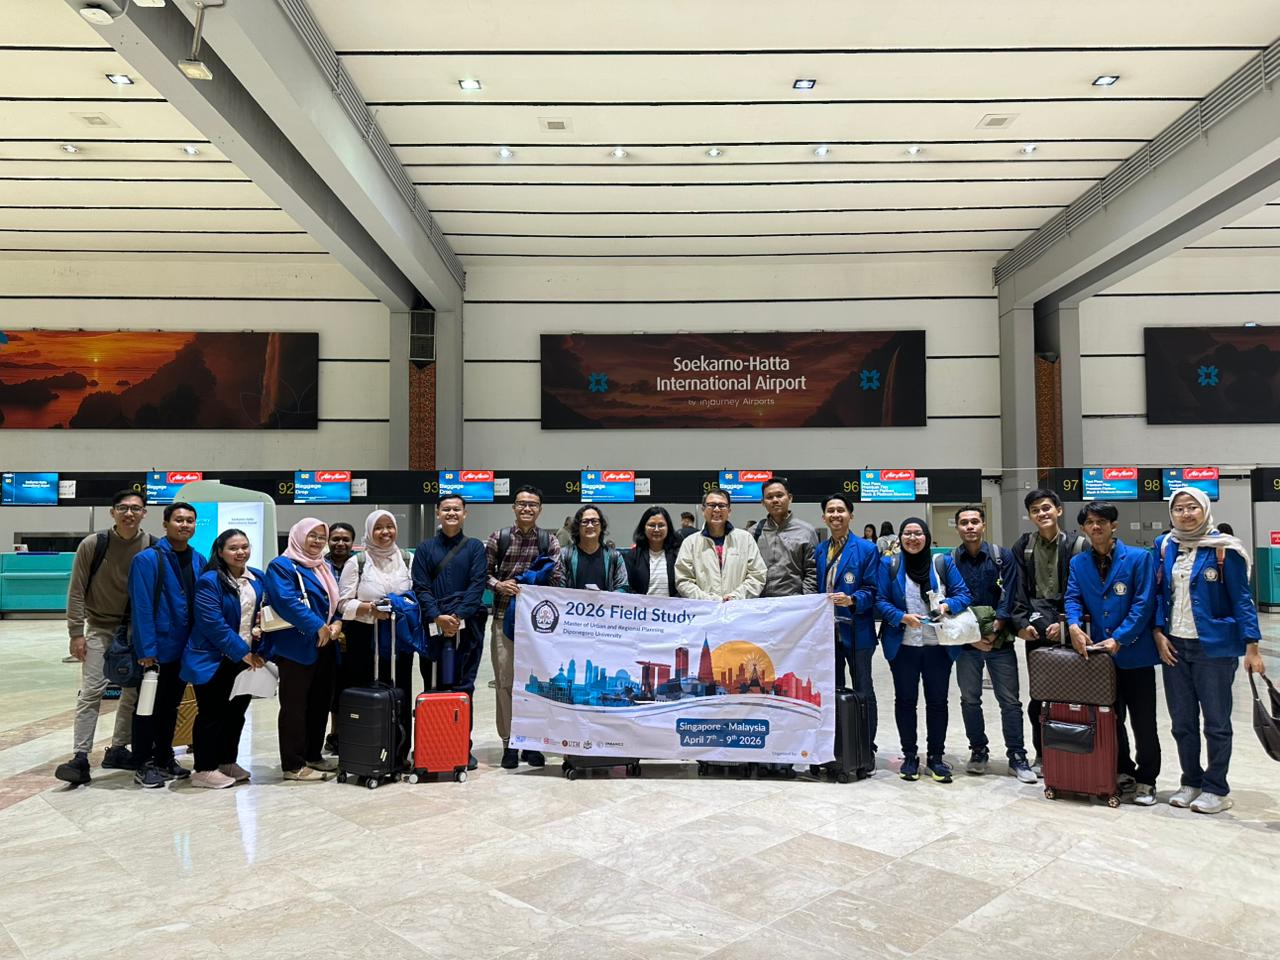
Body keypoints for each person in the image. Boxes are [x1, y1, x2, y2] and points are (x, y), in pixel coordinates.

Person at [1152, 488, 1265, 814]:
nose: (1186, 514)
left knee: (1216, 722)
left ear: (1204, 509)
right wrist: (1158, 633)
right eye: (1179, 509)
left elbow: (1242, 600)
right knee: (1182, 722)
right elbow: (1158, 594)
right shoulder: (1165, 546)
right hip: (1174, 647)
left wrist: (1252, 647)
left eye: (1192, 508)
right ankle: (1191, 781)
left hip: (1213, 649)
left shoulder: (1224, 549)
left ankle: (1216, 788)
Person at [54, 489, 156, 785]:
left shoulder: (152, 546)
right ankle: (80, 757)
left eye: (135, 508)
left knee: (132, 691)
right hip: (99, 627)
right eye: (122, 508)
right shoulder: (94, 544)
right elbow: (76, 590)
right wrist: (76, 633)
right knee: (91, 691)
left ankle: (119, 748)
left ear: (144, 513)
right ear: (112, 512)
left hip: (136, 630)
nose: (129, 513)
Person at [1064, 501, 1160, 805]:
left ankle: (1147, 779)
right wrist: (1073, 625)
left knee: (1144, 721)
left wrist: (1119, 638)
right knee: (1110, 718)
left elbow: (1144, 603)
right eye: (1090, 522)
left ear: (1113, 525)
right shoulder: (1078, 563)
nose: (1096, 527)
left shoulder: (1139, 558)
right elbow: (1073, 598)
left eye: (1102, 522)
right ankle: (1123, 770)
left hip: (1135, 655)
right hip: (1100, 659)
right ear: (1083, 528)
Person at [875, 518, 971, 783]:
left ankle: (936, 758)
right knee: (905, 702)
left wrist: (946, 606)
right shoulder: (890, 564)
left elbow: (964, 594)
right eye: (907, 533)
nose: (913, 538)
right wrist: (901, 617)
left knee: (937, 703)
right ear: (900, 538)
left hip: (937, 646)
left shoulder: (942, 563)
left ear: (927, 537)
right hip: (903, 646)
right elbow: (880, 600)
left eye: (918, 533)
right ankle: (909, 756)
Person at [950, 505, 1035, 783]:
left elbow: (1010, 594)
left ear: (983, 525)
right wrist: (973, 638)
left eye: (975, 521)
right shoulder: (950, 560)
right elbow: (951, 601)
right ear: (957, 527)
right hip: (967, 644)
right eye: (964, 522)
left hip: (1001, 641)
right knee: (970, 699)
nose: (970, 526)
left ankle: (1017, 756)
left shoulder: (1002, 556)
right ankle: (978, 751)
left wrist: (997, 626)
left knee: (1010, 701)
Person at [128, 502, 207, 788]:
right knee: (147, 706)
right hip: (157, 649)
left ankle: (163, 757)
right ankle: (143, 763)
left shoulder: (198, 559)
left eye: (190, 521)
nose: (185, 525)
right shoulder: (147, 560)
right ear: (165, 524)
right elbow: (141, 607)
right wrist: (146, 650)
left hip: (184, 649)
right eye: (179, 520)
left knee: (170, 706)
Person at [1010, 488, 1086, 775]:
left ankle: (1076, 752)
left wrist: (1066, 623)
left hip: (1072, 628)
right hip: (1037, 628)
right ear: (1029, 516)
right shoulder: (1024, 546)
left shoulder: (1078, 545)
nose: (1042, 514)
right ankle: (1042, 754)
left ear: (1058, 510)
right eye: (1035, 510)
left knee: (1075, 695)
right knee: (1040, 696)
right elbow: (1018, 589)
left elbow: (1083, 590)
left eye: (1046, 508)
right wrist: (1022, 624)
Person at [182, 529, 266, 789]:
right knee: (212, 714)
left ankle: (227, 761)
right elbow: (212, 624)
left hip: (246, 659)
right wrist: (243, 652)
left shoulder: (257, 578)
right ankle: (204, 768)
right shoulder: (210, 581)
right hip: (215, 658)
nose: (240, 552)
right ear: (220, 552)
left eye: (244, 546)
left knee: (236, 713)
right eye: (233, 548)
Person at [486, 485, 562, 770]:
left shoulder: (549, 541)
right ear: (514, 507)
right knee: (505, 683)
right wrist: (499, 585)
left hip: (538, 627)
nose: (527, 508)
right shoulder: (499, 537)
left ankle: (532, 741)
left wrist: (534, 585)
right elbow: (483, 573)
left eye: (533, 504)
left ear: (540, 509)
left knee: (536, 683)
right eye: (522, 504)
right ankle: (509, 743)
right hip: (502, 618)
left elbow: (558, 578)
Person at [412, 495, 489, 770]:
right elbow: (420, 586)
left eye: (457, 509)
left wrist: (457, 617)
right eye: (446, 509)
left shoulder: (475, 548)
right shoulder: (425, 549)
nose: (452, 513)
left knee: (464, 687)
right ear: (437, 513)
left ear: (465, 514)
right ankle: (432, 745)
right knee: (432, 684)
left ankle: (461, 747)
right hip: (433, 627)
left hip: (468, 629)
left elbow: (478, 584)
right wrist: (437, 616)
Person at [337, 510, 418, 764]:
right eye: (379, 527)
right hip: (365, 638)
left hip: (398, 638)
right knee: (367, 692)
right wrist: (370, 609)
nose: (385, 532)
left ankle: (399, 753)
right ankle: (367, 754)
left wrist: (402, 606)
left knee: (400, 690)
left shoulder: (407, 559)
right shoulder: (357, 562)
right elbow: (342, 604)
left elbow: (417, 595)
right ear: (369, 531)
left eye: (389, 526)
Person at [265, 518, 340, 781]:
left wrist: (337, 622)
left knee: (320, 702)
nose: (317, 541)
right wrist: (317, 625)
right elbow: (285, 601)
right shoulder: (282, 565)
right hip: (296, 646)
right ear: (298, 536)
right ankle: (293, 764)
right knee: (295, 706)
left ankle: (312, 754)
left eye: (322, 536)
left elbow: (333, 601)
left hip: (325, 645)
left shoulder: (323, 565)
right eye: (312, 535)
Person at [814, 493, 881, 750]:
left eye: (840, 510)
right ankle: (839, 746)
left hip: (857, 631)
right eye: (830, 510)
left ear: (851, 515)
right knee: (832, 689)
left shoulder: (866, 549)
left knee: (863, 690)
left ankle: (866, 746)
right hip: (827, 634)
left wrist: (852, 599)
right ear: (824, 517)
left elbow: (873, 590)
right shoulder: (820, 550)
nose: (835, 515)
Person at [675, 489, 766, 601]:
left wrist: (735, 597)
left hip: (738, 607)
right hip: (704, 609)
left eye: (722, 506)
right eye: (711, 505)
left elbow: (757, 575)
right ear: (703, 510)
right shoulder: (690, 543)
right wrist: (709, 600)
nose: (717, 509)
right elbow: (683, 580)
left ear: (729, 511)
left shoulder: (745, 539)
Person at [755, 478, 818, 598]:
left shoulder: (806, 531)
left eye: (780, 495)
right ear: (763, 502)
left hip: (794, 602)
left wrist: (806, 600)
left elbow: (813, 571)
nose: (775, 500)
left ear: (790, 498)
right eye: (769, 497)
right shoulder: (754, 532)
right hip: (761, 602)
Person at [325, 521, 357, 754]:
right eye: (335, 539)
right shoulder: (319, 565)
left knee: (351, 683)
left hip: (356, 632)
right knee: (332, 686)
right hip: (326, 631)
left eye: (346, 539)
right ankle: (335, 733)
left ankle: (353, 732)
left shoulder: (360, 564)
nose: (340, 543)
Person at [557, 504, 629, 591]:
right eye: (585, 522)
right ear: (578, 527)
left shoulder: (615, 556)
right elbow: (559, 588)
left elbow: (623, 587)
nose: (590, 525)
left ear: (601, 526)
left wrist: (605, 597)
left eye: (594, 521)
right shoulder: (564, 555)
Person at [622, 506, 681, 596]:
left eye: (661, 525)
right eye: (652, 525)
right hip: (641, 604)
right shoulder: (632, 556)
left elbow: (683, 585)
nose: (656, 529)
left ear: (668, 528)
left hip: (673, 605)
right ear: (643, 528)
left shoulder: (678, 554)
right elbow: (628, 587)